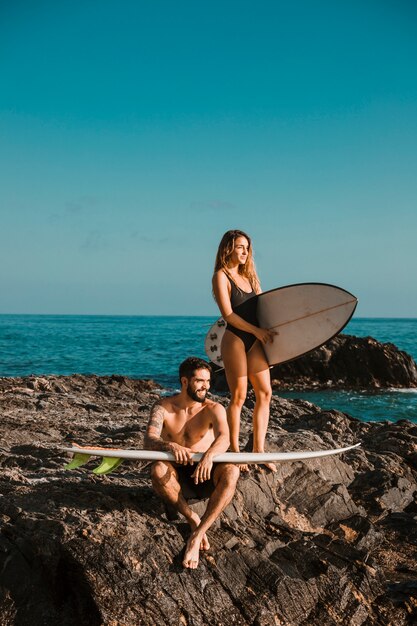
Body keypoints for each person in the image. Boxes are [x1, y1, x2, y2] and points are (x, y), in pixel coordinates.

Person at [145, 356, 239, 569]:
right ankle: (192, 518)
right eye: (200, 381)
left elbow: (224, 437)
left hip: (205, 473)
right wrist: (171, 446)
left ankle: (197, 535)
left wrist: (209, 456)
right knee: (158, 469)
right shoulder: (163, 407)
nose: (205, 386)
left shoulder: (213, 408)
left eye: (208, 381)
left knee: (232, 472)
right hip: (177, 477)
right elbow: (149, 439)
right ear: (185, 381)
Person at [212, 229, 277, 472]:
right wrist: (256, 332)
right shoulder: (221, 276)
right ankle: (235, 452)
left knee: (265, 393)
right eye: (240, 247)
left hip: (256, 340)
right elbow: (228, 314)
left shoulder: (251, 278)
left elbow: (263, 312)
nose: (244, 252)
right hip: (235, 339)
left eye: (247, 248)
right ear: (228, 248)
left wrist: (273, 348)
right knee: (239, 396)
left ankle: (258, 451)